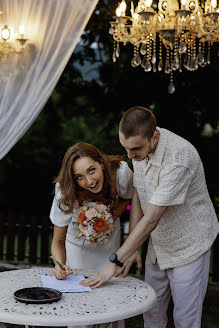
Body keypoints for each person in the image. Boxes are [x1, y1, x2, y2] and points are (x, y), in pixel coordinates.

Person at [81, 106, 219, 328]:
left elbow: (152, 217)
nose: (130, 155)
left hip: (189, 246)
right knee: (151, 313)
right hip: (158, 244)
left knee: (185, 320)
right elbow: (139, 192)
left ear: (154, 136)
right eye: (125, 148)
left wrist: (115, 261)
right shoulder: (138, 147)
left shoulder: (178, 158)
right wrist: (133, 249)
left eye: (135, 149)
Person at [50, 142, 141, 328]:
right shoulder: (64, 191)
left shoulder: (121, 172)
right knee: (80, 307)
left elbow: (128, 197)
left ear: (101, 162)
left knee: (112, 306)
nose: (89, 181)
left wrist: (111, 216)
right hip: (77, 250)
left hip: (110, 249)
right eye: (79, 177)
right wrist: (59, 265)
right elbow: (58, 240)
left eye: (92, 170)